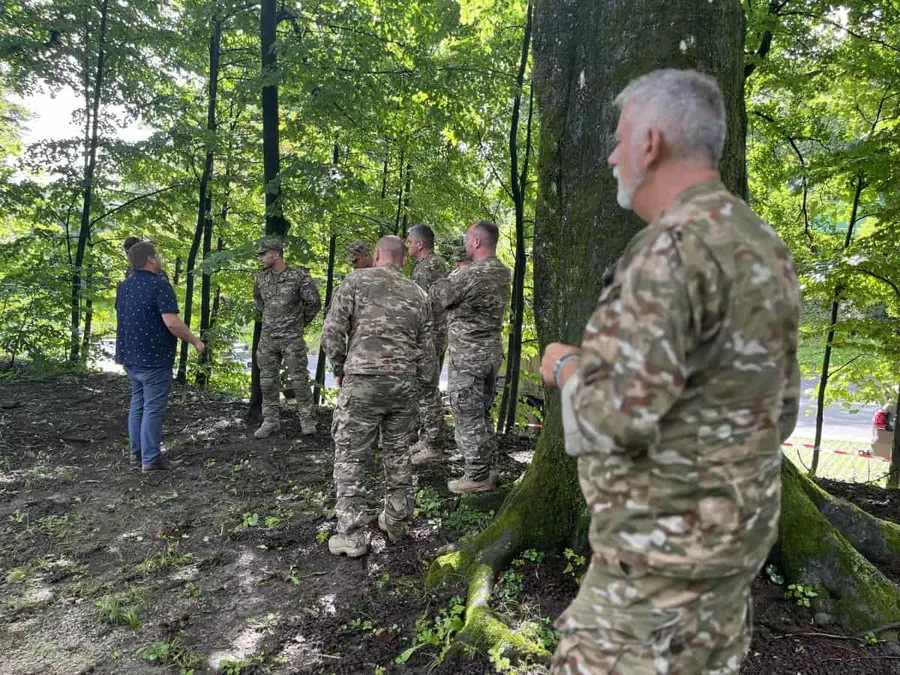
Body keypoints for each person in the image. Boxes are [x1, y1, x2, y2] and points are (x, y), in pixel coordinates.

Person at [539, 69, 800, 674]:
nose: (611, 154)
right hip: (728, 564)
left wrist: (566, 367)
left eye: (619, 136)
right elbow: (780, 413)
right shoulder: (763, 246)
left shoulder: (669, 251)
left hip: (654, 581)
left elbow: (614, 421)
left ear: (650, 144)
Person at [322, 235, 434, 557]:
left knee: (351, 456)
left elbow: (332, 330)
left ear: (376, 255)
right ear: (404, 259)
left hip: (363, 382)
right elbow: (427, 353)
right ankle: (397, 522)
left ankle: (353, 536)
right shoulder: (419, 294)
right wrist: (422, 385)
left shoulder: (356, 281)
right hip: (403, 385)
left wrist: (340, 368)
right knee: (398, 452)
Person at [430, 221, 510, 493]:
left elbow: (439, 296)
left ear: (476, 242)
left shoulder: (472, 274)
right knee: (483, 413)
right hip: (490, 354)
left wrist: (453, 273)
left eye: (467, 240)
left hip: (468, 357)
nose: (465, 244)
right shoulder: (502, 272)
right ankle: (490, 467)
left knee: (467, 415)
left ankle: (477, 477)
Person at [115, 242, 204, 472]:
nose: (160, 258)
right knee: (153, 408)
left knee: (138, 404)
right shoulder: (159, 286)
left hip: (130, 356)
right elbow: (172, 323)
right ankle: (151, 459)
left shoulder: (124, 287)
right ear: (151, 260)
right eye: (157, 255)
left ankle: (137, 453)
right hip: (154, 358)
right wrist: (195, 341)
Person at [253, 237, 322, 439]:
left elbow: (313, 303)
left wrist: (298, 324)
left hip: (292, 338)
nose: (260, 259)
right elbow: (259, 303)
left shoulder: (299, 276)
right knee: (266, 381)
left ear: (276, 254)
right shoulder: (261, 279)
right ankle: (271, 421)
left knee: (299, 380)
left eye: (263, 254)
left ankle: (307, 421)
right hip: (268, 339)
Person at [406, 224, 450, 464]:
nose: (408, 245)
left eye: (410, 242)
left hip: (429, 337)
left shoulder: (426, 269)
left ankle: (434, 444)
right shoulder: (433, 265)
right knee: (425, 387)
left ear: (420, 244)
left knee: (427, 389)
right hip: (435, 335)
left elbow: (420, 308)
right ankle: (426, 438)